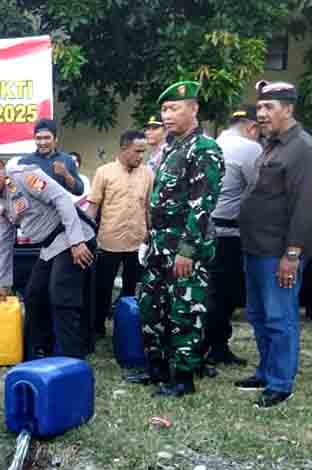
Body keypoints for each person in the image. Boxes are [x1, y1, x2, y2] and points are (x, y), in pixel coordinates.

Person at [130, 81, 224, 397]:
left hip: (184, 246)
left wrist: (187, 249)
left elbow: (203, 204)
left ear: (194, 109)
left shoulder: (204, 149)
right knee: (150, 304)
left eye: (174, 108)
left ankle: (183, 379)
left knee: (184, 310)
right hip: (160, 244)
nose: (167, 115)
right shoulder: (171, 147)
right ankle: (156, 369)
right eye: (164, 109)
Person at [237, 81, 312, 408]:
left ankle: (280, 382)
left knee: (279, 317)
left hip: (278, 251)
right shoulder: (271, 145)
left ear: (289, 109)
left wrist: (292, 254)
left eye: (269, 107)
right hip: (255, 247)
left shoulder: (301, 147)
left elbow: (303, 206)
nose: (262, 114)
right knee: (258, 315)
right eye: (259, 108)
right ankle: (266, 369)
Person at [0, 145, 96, 358]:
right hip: (49, 247)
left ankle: (73, 359)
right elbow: (4, 242)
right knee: (33, 295)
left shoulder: (25, 176)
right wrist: (3, 283)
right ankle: (41, 353)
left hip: (72, 236)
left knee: (61, 296)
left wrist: (76, 242)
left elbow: (62, 199)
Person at [205, 105, 262, 367]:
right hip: (229, 233)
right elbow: (259, 190)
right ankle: (216, 346)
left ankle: (209, 344)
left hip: (205, 230)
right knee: (224, 294)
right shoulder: (250, 149)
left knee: (210, 291)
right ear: (252, 127)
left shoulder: (213, 143)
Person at [87, 129, 151, 338]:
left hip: (137, 243)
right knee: (102, 290)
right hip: (109, 242)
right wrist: (86, 237)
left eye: (144, 152)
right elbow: (93, 207)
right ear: (124, 149)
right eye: (137, 151)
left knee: (131, 291)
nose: (141, 156)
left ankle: (126, 330)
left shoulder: (148, 173)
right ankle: (97, 329)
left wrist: (151, 236)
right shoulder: (104, 172)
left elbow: (148, 208)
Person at [17, 119, 84, 196]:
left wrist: (66, 174)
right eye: (38, 138)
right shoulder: (25, 162)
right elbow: (17, 191)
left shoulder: (67, 160)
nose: (42, 142)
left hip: (60, 207)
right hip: (35, 207)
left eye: (47, 138)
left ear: (55, 139)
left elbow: (79, 190)